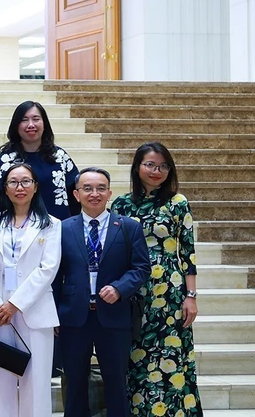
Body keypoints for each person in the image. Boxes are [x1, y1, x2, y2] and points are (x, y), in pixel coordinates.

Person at [111, 143, 201, 417]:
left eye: (163, 166)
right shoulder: (121, 204)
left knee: (170, 356)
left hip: (170, 293)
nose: (156, 171)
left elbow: (187, 252)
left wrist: (191, 296)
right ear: (137, 167)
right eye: (150, 164)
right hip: (133, 290)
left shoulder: (177, 203)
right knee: (136, 355)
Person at [55, 168, 151, 417]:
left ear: (110, 193)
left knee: (116, 382)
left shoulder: (129, 227)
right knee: (74, 383)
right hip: (74, 317)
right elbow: (53, 276)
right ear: (76, 194)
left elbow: (141, 268)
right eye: (87, 188)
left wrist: (120, 288)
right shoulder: (62, 229)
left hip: (114, 316)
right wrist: (52, 313)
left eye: (100, 188)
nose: (94, 193)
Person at [0, 162, 61, 417]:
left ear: (35, 187)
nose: (19, 187)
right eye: (13, 182)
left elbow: (48, 268)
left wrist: (16, 304)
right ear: (5, 188)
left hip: (34, 311)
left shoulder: (51, 224)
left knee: (36, 384)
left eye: (26, 181)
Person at [0, 100, 80, 219]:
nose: (31, 125)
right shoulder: (5, 161)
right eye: (24, 120)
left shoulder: (60, 157)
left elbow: (77, 196)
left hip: (57, 230)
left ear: (44, 124)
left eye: (36, 119)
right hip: (14, 231)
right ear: (16, 125)